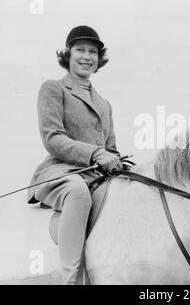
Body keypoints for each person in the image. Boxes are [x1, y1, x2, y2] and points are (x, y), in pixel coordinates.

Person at [27, 25, 123, 284]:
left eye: (92, 52)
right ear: (67, 55)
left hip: (96, 176)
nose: (86, 56)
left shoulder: (105, 104)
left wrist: (118, 163)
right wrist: (96, 154)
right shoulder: (53, 88)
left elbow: (110, 149)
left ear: (98, 60)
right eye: (80, 49)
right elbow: (53, 138)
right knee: (77, 191)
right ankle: (71, 280)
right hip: (61, 172)